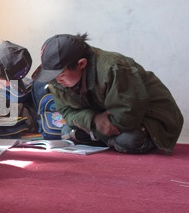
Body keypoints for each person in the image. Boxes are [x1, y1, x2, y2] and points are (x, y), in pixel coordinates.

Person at [33, 33, 184, 154]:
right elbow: (65, 112)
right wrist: (94, 119)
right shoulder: (56, 79)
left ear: (81, 64)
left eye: (61, 75)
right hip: (104, 117)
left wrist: (90, 127)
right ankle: (106, 140)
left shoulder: (113, 68)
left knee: (129, 140)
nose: (57, 81)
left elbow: (126, 118)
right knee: (65, 130)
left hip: (149, 118)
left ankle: (98, 138)